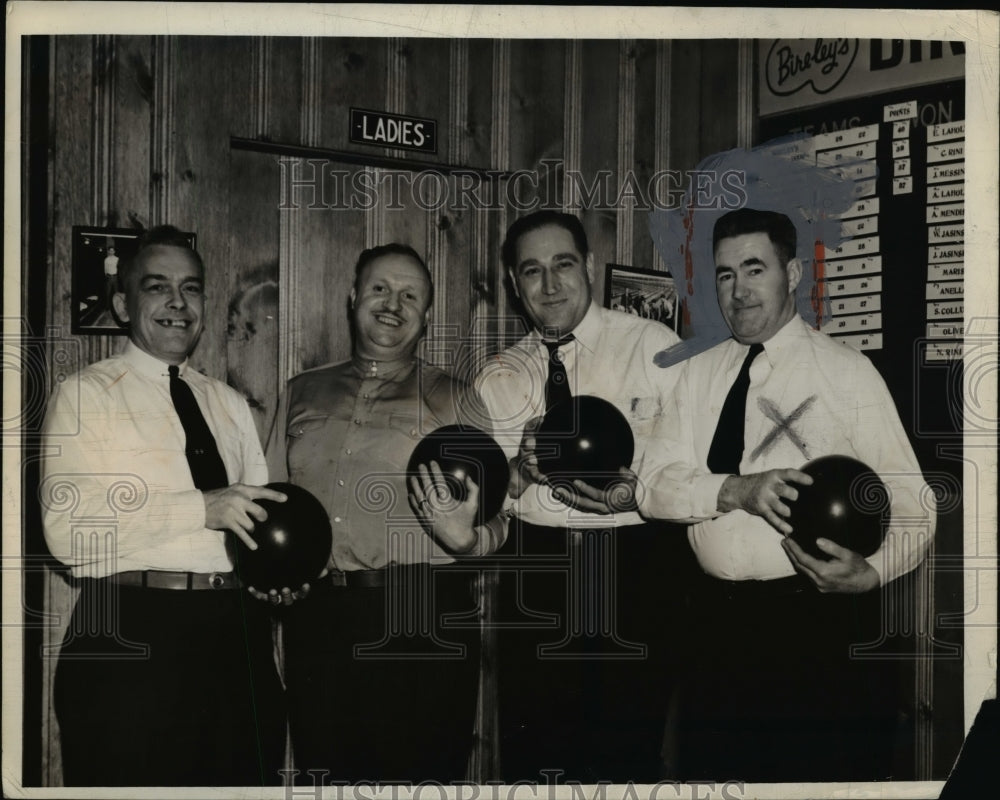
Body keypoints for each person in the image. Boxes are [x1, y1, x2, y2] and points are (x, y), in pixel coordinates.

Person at [638, 207, 937, 782]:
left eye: (755, 269)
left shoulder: (848, 373)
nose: (739, 290)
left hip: (821, 631)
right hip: (714, 634)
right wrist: (734, 491)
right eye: (725, 274)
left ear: (794, 273)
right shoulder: (695, 373)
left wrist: (872, 572)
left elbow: (914, 507)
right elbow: (653, 488)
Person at [40, 225, 287, 786]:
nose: (178, 303)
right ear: (124, 304)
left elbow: (253, 525)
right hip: (128, 635)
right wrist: (197, 508)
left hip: (237, 637)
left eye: (192, 288)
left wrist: (277, 578)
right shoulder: (83, 396)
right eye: (158, 287)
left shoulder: (228, 404)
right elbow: (65, 531)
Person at [265, 243, 506, 784]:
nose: (392, 304)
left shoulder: (456, 399)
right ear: (353, 297)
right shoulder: (301, 391)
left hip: (424, 616)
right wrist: (274, 579)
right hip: (321, 621)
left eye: (409, 295)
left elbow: (498, 521)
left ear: (425, 317)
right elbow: (272, 504)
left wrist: (469, 543)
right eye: (379, 288)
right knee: (324, 777)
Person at [475, 210, 688, 783]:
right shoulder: (498, 375)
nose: (550, 285)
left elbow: (694, 463)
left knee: (628, 747)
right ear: (513, 284)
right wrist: (515, 474)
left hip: (637, 561)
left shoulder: (653, 344)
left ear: (589, 266)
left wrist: (633, 492)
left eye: (563, 265)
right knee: (539, 750)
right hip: (538, 563)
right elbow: (486, 502)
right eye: (532, 271)